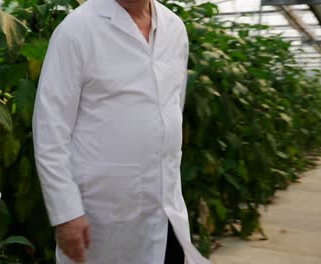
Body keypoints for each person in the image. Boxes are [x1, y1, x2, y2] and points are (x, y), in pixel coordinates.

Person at [32, 0, 211, 262]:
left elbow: (173, 107)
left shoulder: (174, 28)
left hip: (166, 207)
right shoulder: (77, 29)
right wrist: (66, 212)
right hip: (102, 215)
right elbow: (50, 129)